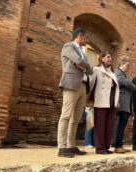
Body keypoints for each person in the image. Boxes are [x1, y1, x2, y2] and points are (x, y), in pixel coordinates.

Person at [57, 28, 93, 158]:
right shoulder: (68, 46)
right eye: (86, 37)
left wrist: (84, 65)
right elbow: (79, 62)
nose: (86, 40)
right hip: (71, 83)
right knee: (66, 115)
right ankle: (61, 148)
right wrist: (84, 64)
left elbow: (89, 70)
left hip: (82, 86)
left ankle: (70, 145)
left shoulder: (82, 52)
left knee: (76, 118)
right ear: (80, 36)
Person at [88, 52, 119, 154]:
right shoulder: (96, 70)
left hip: (111, 101)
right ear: (102, 58)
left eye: (111, 57)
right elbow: (91, 85)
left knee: (109, 125)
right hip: (100, 100)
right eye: (108, 57)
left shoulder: (113, 73)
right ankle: (100, 148)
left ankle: (106, 146)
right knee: (100, 125)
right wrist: (89, 100)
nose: (110, 59)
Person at [114, 57, 136, 153]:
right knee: (120, 125)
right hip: (121, 103)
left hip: (125, 104)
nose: (128, 67)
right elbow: (130, 85)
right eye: (127, 66)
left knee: (122, 125)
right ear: (121, 65)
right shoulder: (118, 73)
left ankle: (119, 145)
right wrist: (131, 85)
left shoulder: (123, 75)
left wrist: (129, 85)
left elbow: (128, 84)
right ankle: (117, 146)